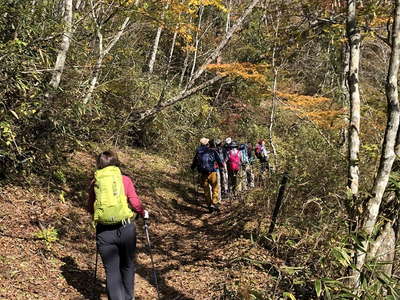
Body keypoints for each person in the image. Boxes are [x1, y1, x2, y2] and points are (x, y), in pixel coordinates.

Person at [87, 150, 146, 300]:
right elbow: (134, 201)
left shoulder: (95, 182)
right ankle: (128, 297)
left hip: (104, 231)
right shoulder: (124, 180)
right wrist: (143, 212)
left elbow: (90, 207)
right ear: (116, 162)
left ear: (99, 164)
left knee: (111, 271)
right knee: (127, 265)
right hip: (126, 228)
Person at [191, 137, 223, 212]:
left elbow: (195, 162)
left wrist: (192, 167)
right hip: (213, 172)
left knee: (206, 190)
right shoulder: (212, 151)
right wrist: (221, 166)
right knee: (215, 188)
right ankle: (214, 203)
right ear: (208, 143)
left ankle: (209, 205)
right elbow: (219, 160)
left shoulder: (198, 152)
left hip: (203, 173)